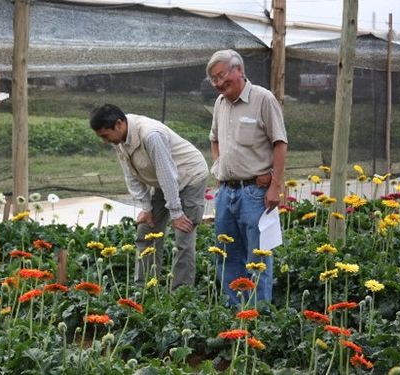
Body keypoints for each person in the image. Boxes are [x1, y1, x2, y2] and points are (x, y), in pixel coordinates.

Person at [90, 104, 208, 290]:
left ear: (119, 124)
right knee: (146, 230)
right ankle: (143, 291)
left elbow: (168, 174)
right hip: (163, 181)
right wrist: (147, 208)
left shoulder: (151, 135)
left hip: (189, 176)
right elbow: (131, 174)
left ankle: (181, 294)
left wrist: (176, 213)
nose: (105, 141)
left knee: (183, 237)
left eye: (105, 135)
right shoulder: (120, 139)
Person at [207, 49, 288, 305]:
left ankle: (258, 317)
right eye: (214, 79)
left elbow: (280, 143)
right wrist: (220, 169)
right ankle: (234, 312)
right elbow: (214, 138)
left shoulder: (263, 99)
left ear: (239, 70)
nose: (219, 83)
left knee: (258, 258)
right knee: (226, 255)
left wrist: (275, 186)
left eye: (222, 76)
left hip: (256, 193)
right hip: (226, 193)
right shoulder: (220, 103)